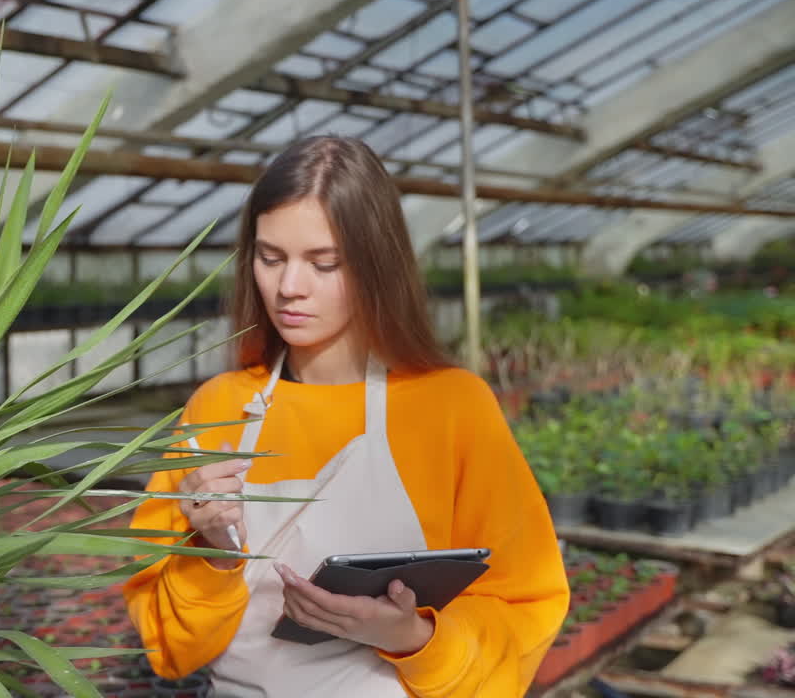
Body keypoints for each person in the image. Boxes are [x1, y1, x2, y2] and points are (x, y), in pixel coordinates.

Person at [122, 135, 569, 697]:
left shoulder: (453, 407)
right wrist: (210, 552)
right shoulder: (217, 408)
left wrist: (413, 636)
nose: (289, 287)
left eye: (324, 263)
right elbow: (169, 647)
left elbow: (525, 605)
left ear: (376, 265)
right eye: (270, 258)